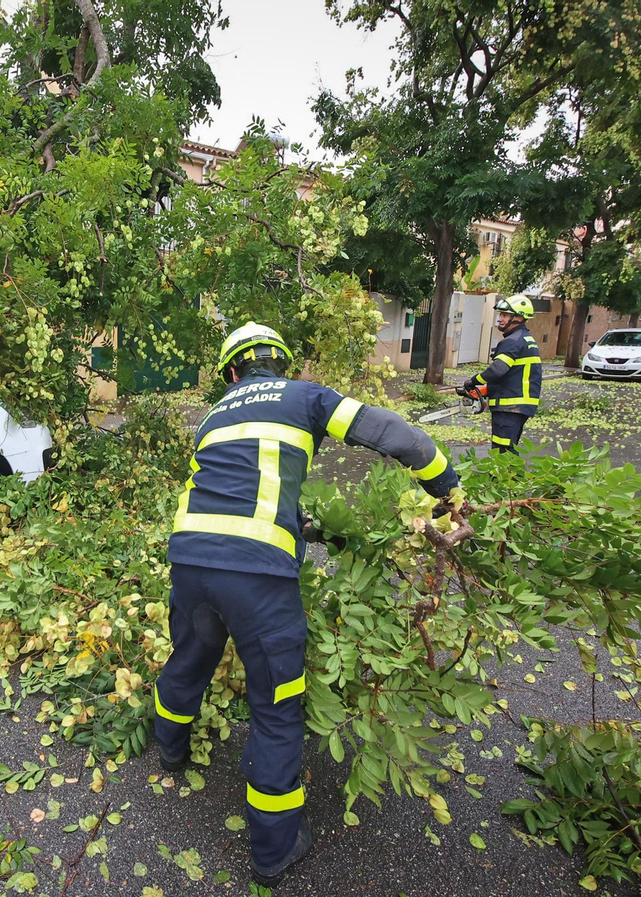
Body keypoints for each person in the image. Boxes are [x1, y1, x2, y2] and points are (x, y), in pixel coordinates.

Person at [154, 322, 461, 886]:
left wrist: (313, 528)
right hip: (257, 580)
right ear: (284, 365)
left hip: (192, 562)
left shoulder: (213, 416)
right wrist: (447, 484)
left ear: (231, 371)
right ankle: (274, 850)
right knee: (276, 703)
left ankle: (170, 750)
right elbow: (393, 434)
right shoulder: (305, 395)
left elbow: (241, 490)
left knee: (189, 659)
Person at [463, 294, 542, 454]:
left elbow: (498, 369)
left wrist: (473, 381)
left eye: (505, 315)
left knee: (503, 451)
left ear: (519, 317)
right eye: (500, 314)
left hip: (510, 406)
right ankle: (506, 478)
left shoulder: (512, 341)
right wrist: (487, 389)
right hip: (518, 405)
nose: (500, 318)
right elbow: (511, 374)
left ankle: (505, 479)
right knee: (508, 448)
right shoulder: (525, 339)